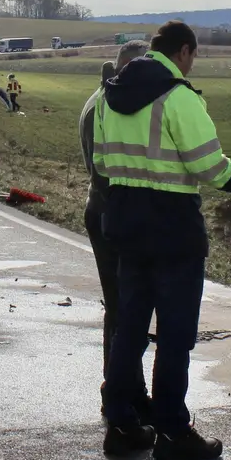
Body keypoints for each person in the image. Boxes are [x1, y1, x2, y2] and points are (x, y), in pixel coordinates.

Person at [93, 20, 231, 460]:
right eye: (193, 57)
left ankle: (120, 424)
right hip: (174, 232)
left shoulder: (106, 99)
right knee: (175, 338)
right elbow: (210, 168)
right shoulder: (179, 97)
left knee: (129, 331)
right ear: (184, 52)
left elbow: (100, 161)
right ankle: (173, 431)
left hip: (125, 227)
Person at [79, 40, 153, 425]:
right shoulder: (107, 106)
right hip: (112, 213)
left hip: (107, 211)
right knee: (124, 308)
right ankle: (122, 393)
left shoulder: (102, 99)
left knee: (124, 307)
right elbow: (105, 172)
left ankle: (128, 390)